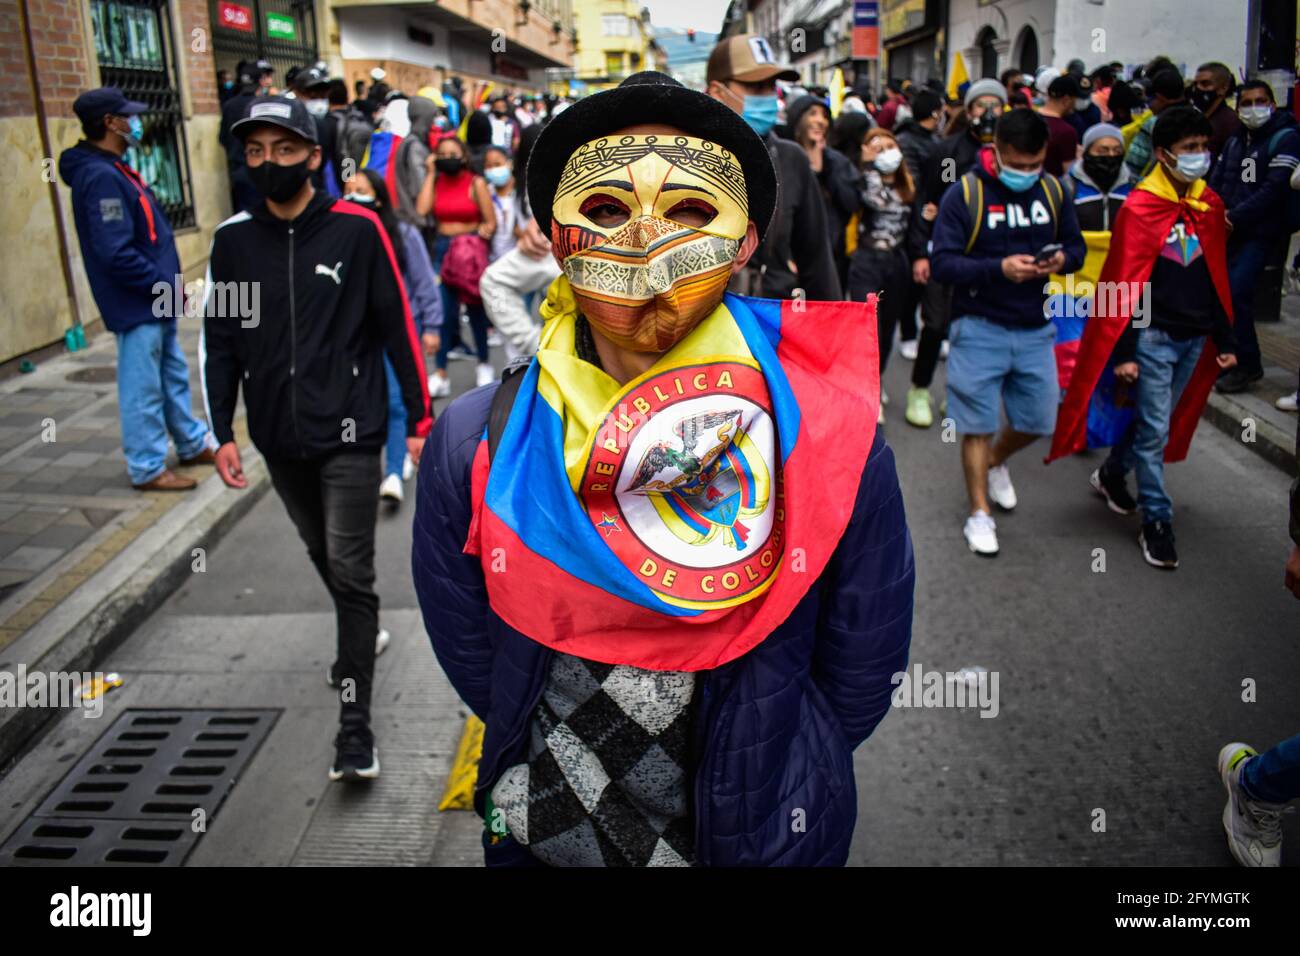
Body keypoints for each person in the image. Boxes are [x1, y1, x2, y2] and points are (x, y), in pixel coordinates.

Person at [412, 70, 913, 868]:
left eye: (689, 209)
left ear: (747, 240)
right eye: (607, 209)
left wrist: (780, 763)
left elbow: (865, 659)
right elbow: (475, 649)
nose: (647, 240)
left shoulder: (829, 429)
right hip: (552, 840)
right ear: (554, 233)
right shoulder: (478, 440)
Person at [202, 96, 432, 781]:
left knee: (352, 571)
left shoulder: (358, 231)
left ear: (311, 155)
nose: (267, 163)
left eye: (281, 149)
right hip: (279, 436)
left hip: (353, 431)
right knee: (325, 559)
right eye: (254, 152)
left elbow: (397, 327)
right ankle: (357, 636)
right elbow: (220, 344)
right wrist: (221, 430)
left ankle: (354, 730)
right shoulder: (232, 243)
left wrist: (419, 419)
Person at [1051, 107, 1236, 570]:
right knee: (1154, 430)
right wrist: (1126, 351)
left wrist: (1228, 339)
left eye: (1203, 148)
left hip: (1195, 338)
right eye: (1188, 149)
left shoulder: (1209, 205)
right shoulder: (1140, 207)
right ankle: (1157, 522)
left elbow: (1218, 275)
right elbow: (1123, 283)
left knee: (1160, 421)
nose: (1199, 157)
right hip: (1152, 337)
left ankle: (1113, 473)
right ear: (1162, 153)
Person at [930, 107, 1085, 556]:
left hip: (1037, 327)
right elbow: (943, 263)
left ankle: (995, 462)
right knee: (975, 425)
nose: (1026, 173)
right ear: (995, 150)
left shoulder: (1055, 190)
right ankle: (979, 513)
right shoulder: (966, 194)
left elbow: (1075, 247)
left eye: (1034, 165)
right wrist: (998, 269)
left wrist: (1061, 261)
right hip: (977, 327)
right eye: (1016, 165)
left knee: (1039, 420)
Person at [60, 87, 218, 491]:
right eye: (127, 117)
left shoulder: (114, 168)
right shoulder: (99, 177)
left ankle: (190, 440)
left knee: (171, 374)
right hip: (136, 303)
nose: (136, 123)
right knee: (143, 386)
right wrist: (162, 284)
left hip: (155, 299)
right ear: (110, 123)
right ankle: (147, 466)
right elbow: (115, 252)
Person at [904, 78, 1007, 429]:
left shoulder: (1011, 155)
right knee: (934, 325)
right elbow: (925, 205)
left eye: (996, 105)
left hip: (990, 262)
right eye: (981, 105)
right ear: (969, 109)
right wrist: (921, 252)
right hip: (945, 256)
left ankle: (959, 391)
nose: (989, 113)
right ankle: (919, 389)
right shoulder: (945, 151)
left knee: (973, 329)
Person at [705, 34, 841, 300]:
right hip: (705, 325)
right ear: (717, 92)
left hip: (774, 319)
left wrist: (829, 333)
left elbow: (817, 260)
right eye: (755, 87)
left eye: (771, 86)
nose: (767, 97)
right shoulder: (691, 159)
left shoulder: (792, 158)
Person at [343, 168, 442, 506]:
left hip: (400, 330)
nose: (354, 196)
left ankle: (392, 473)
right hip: (356, 337)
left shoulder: (402, 233)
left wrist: (432, 326)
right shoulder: (342, 237)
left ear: (379, 197)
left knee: (398, 400)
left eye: (362, 190)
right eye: (349, 190)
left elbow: (424, 282)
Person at [1208, 80, 1300, 394]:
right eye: (1246, 103)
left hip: (1260, 233)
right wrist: (1213, 213)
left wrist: (1233, 217)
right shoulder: (1237, 142)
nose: (1253, 108)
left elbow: (1273, 190)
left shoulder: (1285, 139)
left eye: (1259, 101)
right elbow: (1219, 180)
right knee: (1219, 293)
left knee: (1236, 292)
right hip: (1228, 229)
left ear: (1272, 105)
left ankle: (1248, 364)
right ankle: (1226, 357)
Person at [420, 135, 497, 396]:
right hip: (443, 250)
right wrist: (431, 173)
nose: (448, 159)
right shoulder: (437, 181)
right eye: (442, 154)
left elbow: (491, 220)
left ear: (463, 157)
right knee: (443, 312)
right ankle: (440, 373)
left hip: (469, 250)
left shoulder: (476, 183)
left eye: (453, 154)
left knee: (476, 311)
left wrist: (484, 232)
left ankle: (484, 363)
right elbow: (422, 210)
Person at [849, 128, 914, 425]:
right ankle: (867, 392)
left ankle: (877, 379)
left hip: (896, 264)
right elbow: (877, 201)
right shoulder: (865, 180)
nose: (887, 151)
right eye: (879, 147)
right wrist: (868, 165)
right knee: (866, 328)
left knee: (888, 328)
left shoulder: (909, 186)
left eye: (891, 146)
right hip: (867, 261)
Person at [785, 94, 859, 286]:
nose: (820, 121)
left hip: (832, 257)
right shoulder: (783, 158)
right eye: (813, 114)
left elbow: (850, 202)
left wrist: (825, 167)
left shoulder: (837, 161)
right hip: (793, 261)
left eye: (825, 116)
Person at [893, 89, 944, 359]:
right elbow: (911, 186)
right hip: (912, 218)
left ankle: (929, 331)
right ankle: (909, 332)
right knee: (912, 281)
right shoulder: (907, 142)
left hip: (930, 217)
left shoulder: (936, 141)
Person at [220, 60, 274, 212]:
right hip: (261, 172)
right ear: (260, 81)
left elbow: (223, 139)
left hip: (238, 171)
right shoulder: (263, 105)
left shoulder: (229, 106)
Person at [1124, 67, 1186, 179]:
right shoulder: (1198, 119)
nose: (1149, 105)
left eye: (1150, 100)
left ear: (1160, 98)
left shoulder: (1153, 124)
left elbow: (1133, 165)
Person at [1190, 62, 1240, 160]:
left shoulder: (1230, 122)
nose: (1198, 89)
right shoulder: (1199, 119)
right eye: (1195, 84)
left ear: (1223, 88)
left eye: (1205, 84)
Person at [1040, 73, 1082, 176]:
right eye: (1074, 101)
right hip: (1052, 188)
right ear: (1067, 100)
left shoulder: (1027, 117)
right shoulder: (1066, 132)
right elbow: (1069, 173)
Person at [483, 146, 520, 263]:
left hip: (518, 260)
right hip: (493, 260)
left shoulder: (520, 191)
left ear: (509, 164)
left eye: (497, 164)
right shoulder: (486, 192)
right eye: (489, 166)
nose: (493, 169)